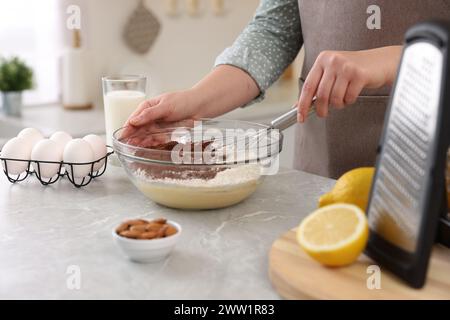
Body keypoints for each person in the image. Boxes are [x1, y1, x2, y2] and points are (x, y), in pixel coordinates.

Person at [123, 0, 450, 179]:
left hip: (431, 184)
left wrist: (401, 59)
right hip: (321, 175)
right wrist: (194, 102)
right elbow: (273, 33)